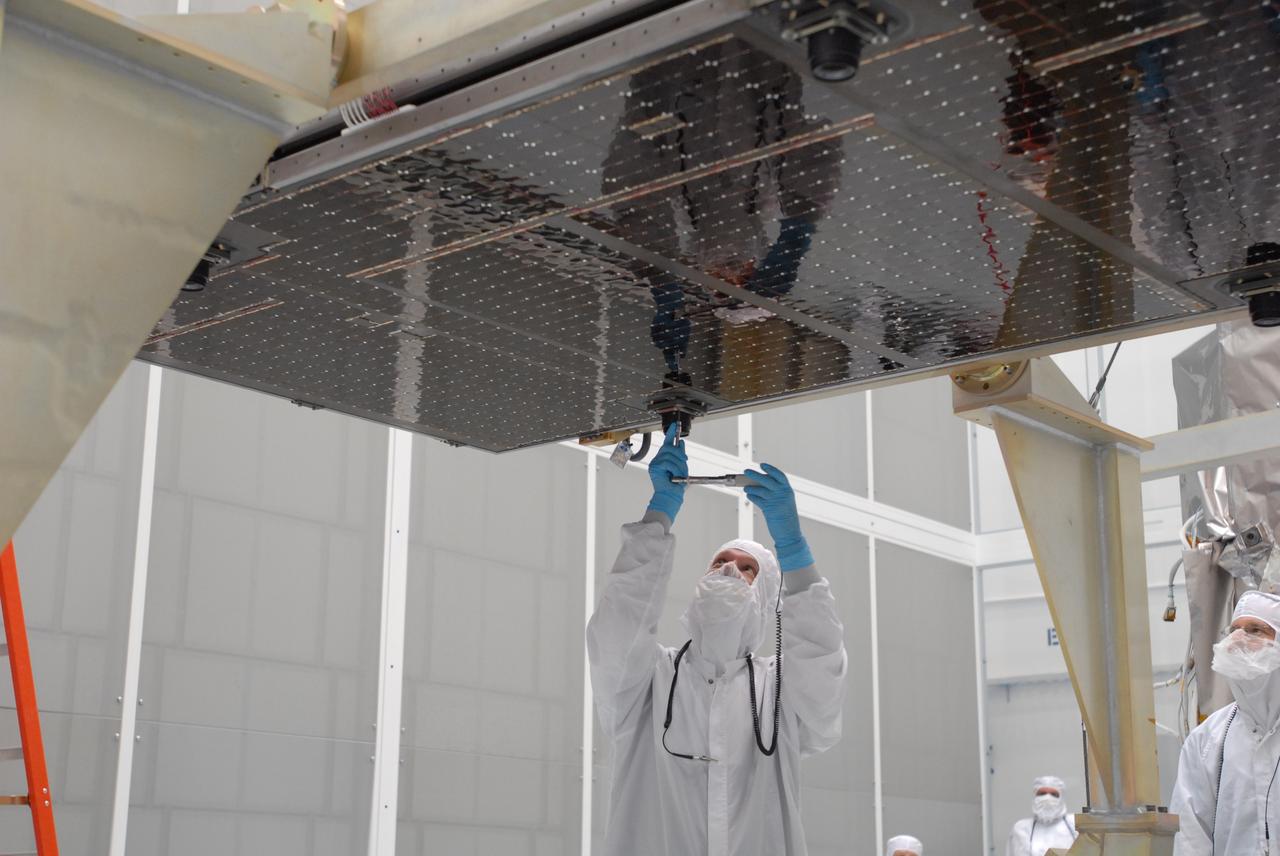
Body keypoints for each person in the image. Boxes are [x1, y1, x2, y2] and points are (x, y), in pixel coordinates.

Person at [587, 424, 848, 856]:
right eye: (720, 561)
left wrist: (794, 550)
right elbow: (618, 623)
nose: (729, 569)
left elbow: (821, 661)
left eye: (748, 569)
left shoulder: (780, 691)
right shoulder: (648, 681)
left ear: (766, 597)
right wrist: (659, 515)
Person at [1170, 590, 1280, 854]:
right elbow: (1190, 837)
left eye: (1255, 630)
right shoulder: (1207, 740)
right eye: (1234, 630)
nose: (1238, 639)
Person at [1006, 776, 1077, 856]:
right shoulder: (1022, 829)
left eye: (1054, 794)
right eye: (1042, 794)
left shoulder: (1075, 824)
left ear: (1061, 798)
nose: (1047, 798)